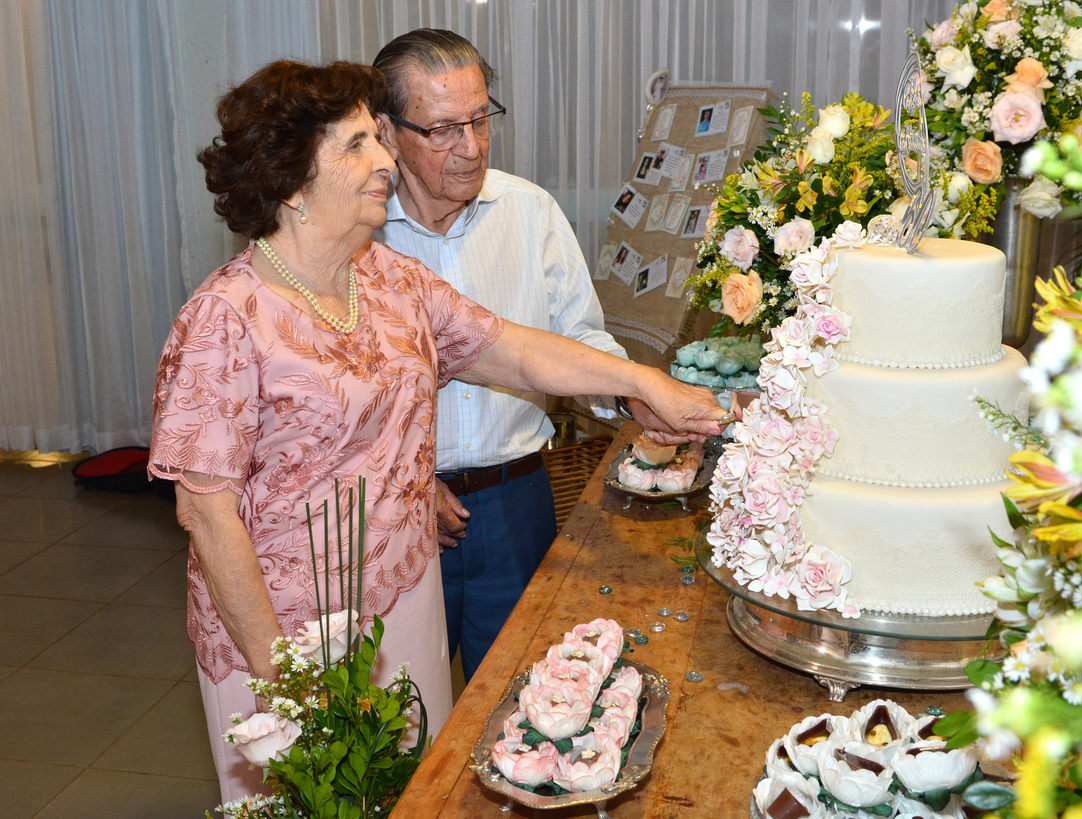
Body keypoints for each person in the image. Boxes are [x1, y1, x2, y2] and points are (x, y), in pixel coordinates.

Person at [149, 59, 728, 802]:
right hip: (284, 635)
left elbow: (509, 345)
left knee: (418, 792)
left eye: (378, 139)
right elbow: (204, 509)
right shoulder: (225, 317)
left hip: (404, 600)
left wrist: (643, 381)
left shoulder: (388, 278)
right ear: (291, 182)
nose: (386, 159)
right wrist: (289, 682)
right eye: (357, 144)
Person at [372, 29, 675, 683]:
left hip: (516, 501)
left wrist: (632, 398)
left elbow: (580, 339)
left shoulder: (528, 211)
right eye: (444, 129)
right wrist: (401, 483)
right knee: (397, 724)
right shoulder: (355, 234)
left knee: (521, 704)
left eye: (481, 120)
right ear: (388, 131)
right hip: (395, 513)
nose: (472, 147)